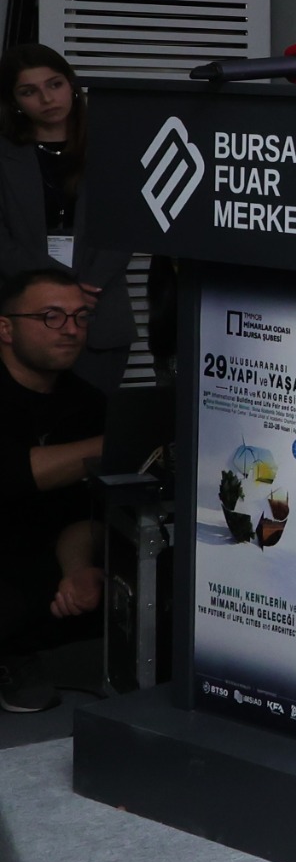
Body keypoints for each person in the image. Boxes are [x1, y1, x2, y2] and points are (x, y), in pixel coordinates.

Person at [0, 266, 106, 714]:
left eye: (80, 317)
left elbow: (83, 513)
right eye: (51, 316)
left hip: (38, 557)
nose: (71, 329)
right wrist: (113, 446)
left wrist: (78, 571)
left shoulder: (87, 403)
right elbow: (14, 473)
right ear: (6, 328)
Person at [0, 45, 136, 393]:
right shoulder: (5, 156)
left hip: (100, 315)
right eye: (29, 91)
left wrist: (82, 289)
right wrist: (60, 290)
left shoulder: (112, 147)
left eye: (55, 84)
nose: (47, 99)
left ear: (71, 85)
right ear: (14, 102)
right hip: (22, 314)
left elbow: (127, 227)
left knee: (95, 420)